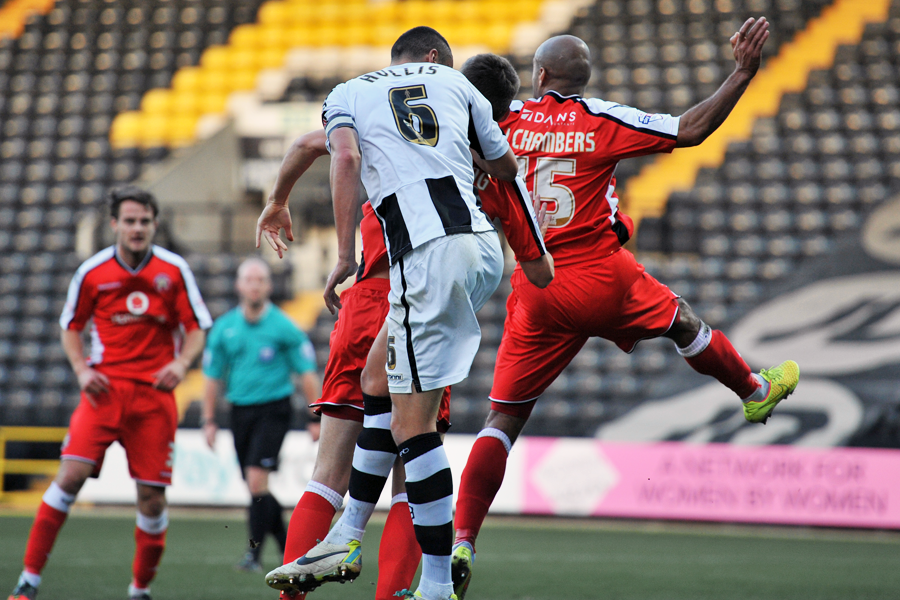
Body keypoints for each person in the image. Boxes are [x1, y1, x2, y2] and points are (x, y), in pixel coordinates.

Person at [449, 20, 801, 599]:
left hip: (537, 285)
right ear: (582, 79)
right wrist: (741, 73)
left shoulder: (502, 125)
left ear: (539, 75)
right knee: (683, 321)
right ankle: (754, 391)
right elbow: (691, 129)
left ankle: (463, 540)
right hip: (600, 274)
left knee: (502, 422)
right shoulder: (599, 119)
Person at [256, 50, 551, 600]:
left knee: (378, 447)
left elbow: (319, 150)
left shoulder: (371, 117)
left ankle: (429, 585)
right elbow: (536, 259)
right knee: (384, 396)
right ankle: (350, 539)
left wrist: (311, 228)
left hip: (404, 276)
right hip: (449, 269)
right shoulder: (465, 129)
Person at [8, 186, 212, 600]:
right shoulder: (92, 272)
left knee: (151, 499)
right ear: (115, 224)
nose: (137, 228)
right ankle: (28, 580)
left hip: (154, 398)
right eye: (130, 221)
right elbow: (70, 326)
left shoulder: (174, 270)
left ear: (155, 224)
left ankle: (140, 589)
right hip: (104, 392)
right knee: (70, 477)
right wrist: (81, 370)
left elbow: (196, 327)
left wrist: (180, 363)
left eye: (145, 221)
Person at [201, 257, 321, 573]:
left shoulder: (284, 326)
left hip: (274, 409)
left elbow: (306, 372)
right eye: (249, 280)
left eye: (260, 280)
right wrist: (208, 420)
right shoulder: (224, 328)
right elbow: (212, 377)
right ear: (239, 285)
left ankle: (253, 555)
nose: (254, 286)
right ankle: (288, 547)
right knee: (256, 486)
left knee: (256, 480)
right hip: (240, 411)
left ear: (268, 286)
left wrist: (315, 417)